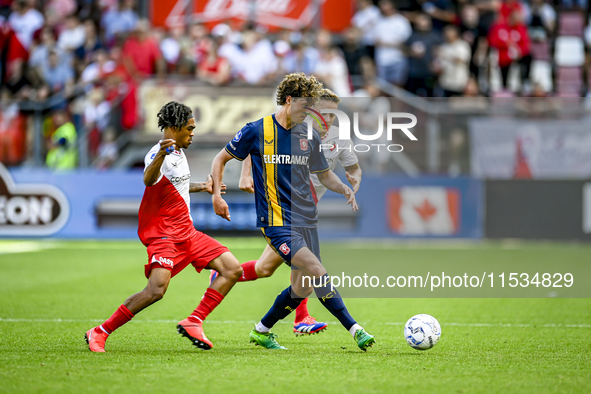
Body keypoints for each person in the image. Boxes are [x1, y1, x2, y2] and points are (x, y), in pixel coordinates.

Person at [211, 73, 376, 351]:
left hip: (306, 221)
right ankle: (356, 329)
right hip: (276, 221)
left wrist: (344, 189)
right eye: (306, 108)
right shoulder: (256, 130)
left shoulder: (309, 135)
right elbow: (221, 157)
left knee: (301, 288)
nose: (310, 114)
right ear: (289, 100)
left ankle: (262, 330)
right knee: (316, 270)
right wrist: (217, 194)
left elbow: (324, 176)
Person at [84, 101, 243, 353]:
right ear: (175, 127)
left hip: (187, 232)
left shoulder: (179, 152)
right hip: (164, 235)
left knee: (232, 269)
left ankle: (194, 320)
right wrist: (160, 154)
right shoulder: (158, 153)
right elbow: (149, 179)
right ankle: (100, 331)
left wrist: (202, 186)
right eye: (189, 128)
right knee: (156, 290)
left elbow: (174, 186)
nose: (193, 133)